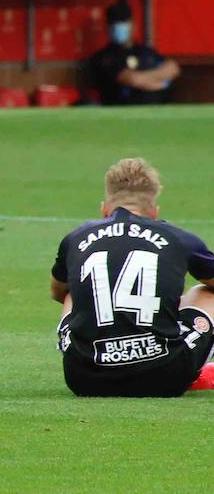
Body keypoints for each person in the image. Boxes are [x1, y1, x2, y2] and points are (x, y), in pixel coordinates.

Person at [51, 158, 214, 397]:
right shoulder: (179, 237)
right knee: (205, 292)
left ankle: (95, 353)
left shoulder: (76, 237)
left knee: (72, 293)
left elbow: (57, 292)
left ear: (104, 210)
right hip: (166, 376)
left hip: (85, 378)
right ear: (154, 213)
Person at [88, 4, 180, 106]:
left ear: (133, 25)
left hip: (159, 107)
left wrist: (145, 81)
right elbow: (132, 79)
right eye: (115, 24)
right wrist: (160, 82)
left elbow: (172, 68)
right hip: (124, 109)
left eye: (124, 23)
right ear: (107, 28)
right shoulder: (104, 57)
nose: (120, 27)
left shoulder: (145, 51)